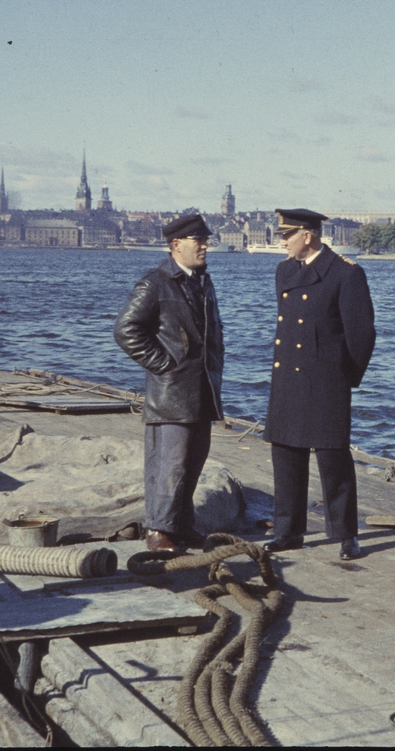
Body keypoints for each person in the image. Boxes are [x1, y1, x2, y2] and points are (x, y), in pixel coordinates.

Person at [262, 209, 376, 561]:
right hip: (288, 377)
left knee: (333, 460)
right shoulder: (285, 271)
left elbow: (361, 335)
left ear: (307, 235)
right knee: (286, 454)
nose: (282, 242)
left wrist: (344, 378)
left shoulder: (345, 273)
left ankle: (345, 534)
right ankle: (288, 531)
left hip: (327, 381)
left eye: (287, 236)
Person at [114, 214, 224, 553]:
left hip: (201, 392)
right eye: (198, 240)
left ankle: (181, 525)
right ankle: (158, 529)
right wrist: (164, 365)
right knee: (169, 465)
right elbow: (126, 330)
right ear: (176, 244)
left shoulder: (202, 282)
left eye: (205, 240)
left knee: (193, 463)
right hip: (172, 395)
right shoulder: (155, 284)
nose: (205, 246)